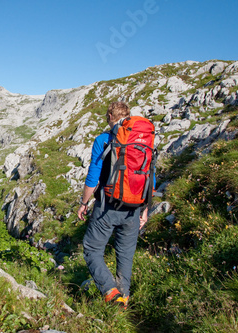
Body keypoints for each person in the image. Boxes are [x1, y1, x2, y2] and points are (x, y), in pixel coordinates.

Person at [77, 101, 149, 309]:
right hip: (134, 209)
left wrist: (84, 203)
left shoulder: (103, 140)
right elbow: (148, 177)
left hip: (107, 207)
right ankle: (124, 299)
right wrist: (145, 210)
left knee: (91, 249)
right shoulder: (142, 142)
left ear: (109, 117)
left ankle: (110, 291)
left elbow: (93, 176)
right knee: (125, 255)